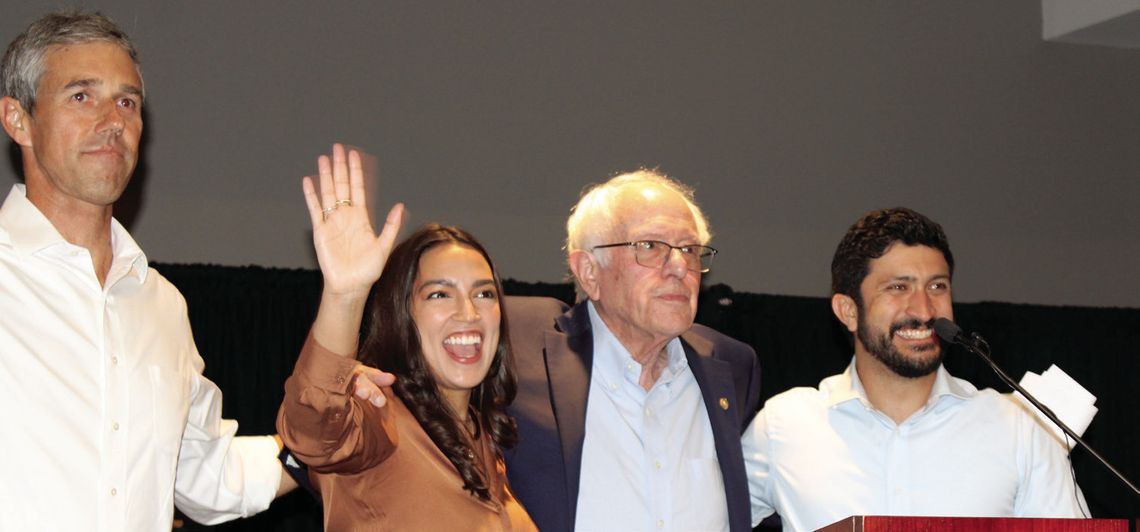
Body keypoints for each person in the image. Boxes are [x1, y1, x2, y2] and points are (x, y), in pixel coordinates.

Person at [0, 11, 292, 530]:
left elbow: (210, 475)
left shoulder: (160, 304)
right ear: (17, 119)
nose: (113, 120)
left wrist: (326, 442)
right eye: (81, 96)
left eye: (127, 101)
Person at [742, 207, 1088, 531]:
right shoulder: (784, 425)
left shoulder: (1022, 428)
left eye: (937, 286)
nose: (924, 309)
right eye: (898, 287)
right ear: (848, 311)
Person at [276, 144, 536, 531]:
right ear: (402, 316)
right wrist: (345, 294)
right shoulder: (379, 417)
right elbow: (313, 430)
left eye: (484, 293)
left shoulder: (483, 440)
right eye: (439, 294)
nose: (469, 313)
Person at [503, 170, 763, 532]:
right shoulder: (517, 346)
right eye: (649, 246)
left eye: (688, 249)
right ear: (589, 272)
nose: (678, 267)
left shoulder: (730, 366)